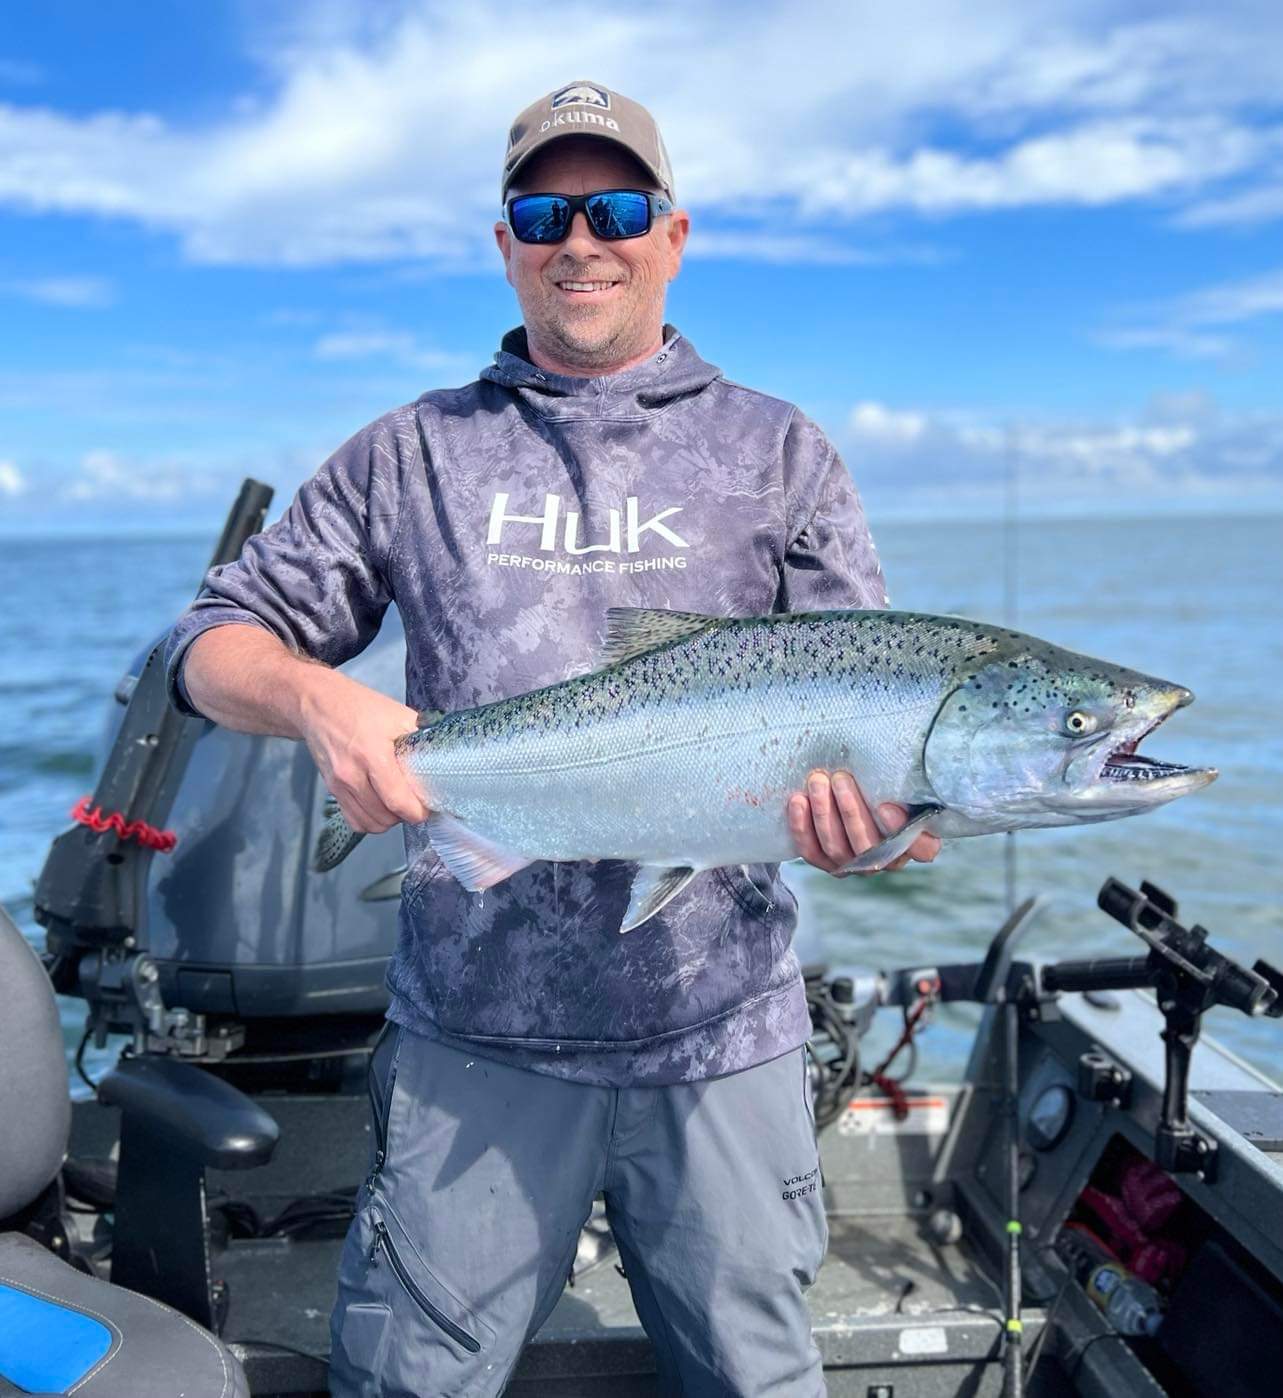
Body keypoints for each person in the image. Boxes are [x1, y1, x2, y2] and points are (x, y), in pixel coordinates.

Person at [165, 80, 939, 1398]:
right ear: (508, 241)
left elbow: (863, 712)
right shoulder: (411, 453)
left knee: (759, 1377)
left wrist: (880, 828)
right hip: (476, 1036)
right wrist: (317, 698)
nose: (583, 238)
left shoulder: (779, 452)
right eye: (545, 209)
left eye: (617, 206)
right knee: (417, 1380)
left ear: (673, 234)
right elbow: (205, 645)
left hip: (725, 1037)